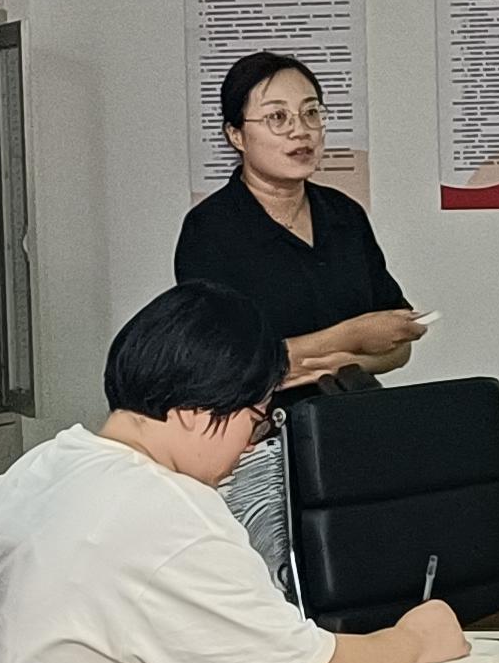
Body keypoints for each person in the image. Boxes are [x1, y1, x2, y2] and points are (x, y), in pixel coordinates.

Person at [0, 282, 468, 663]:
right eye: (255, 420)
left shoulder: (46, 464)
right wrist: (414, 640)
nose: (250, 446)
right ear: (195, 412)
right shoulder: (165, 510)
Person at [175, 51, 422, 581]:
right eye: (277, 117)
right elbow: (226, 365)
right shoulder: (210, 231)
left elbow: (398, 344)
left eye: (311, 113)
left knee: (362, 578)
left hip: (351, 432)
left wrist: (335, 360)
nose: (300, 131)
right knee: (278, 586)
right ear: (236, 135)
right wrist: (349, 337)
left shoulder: (344, 215)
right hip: (256, 448)